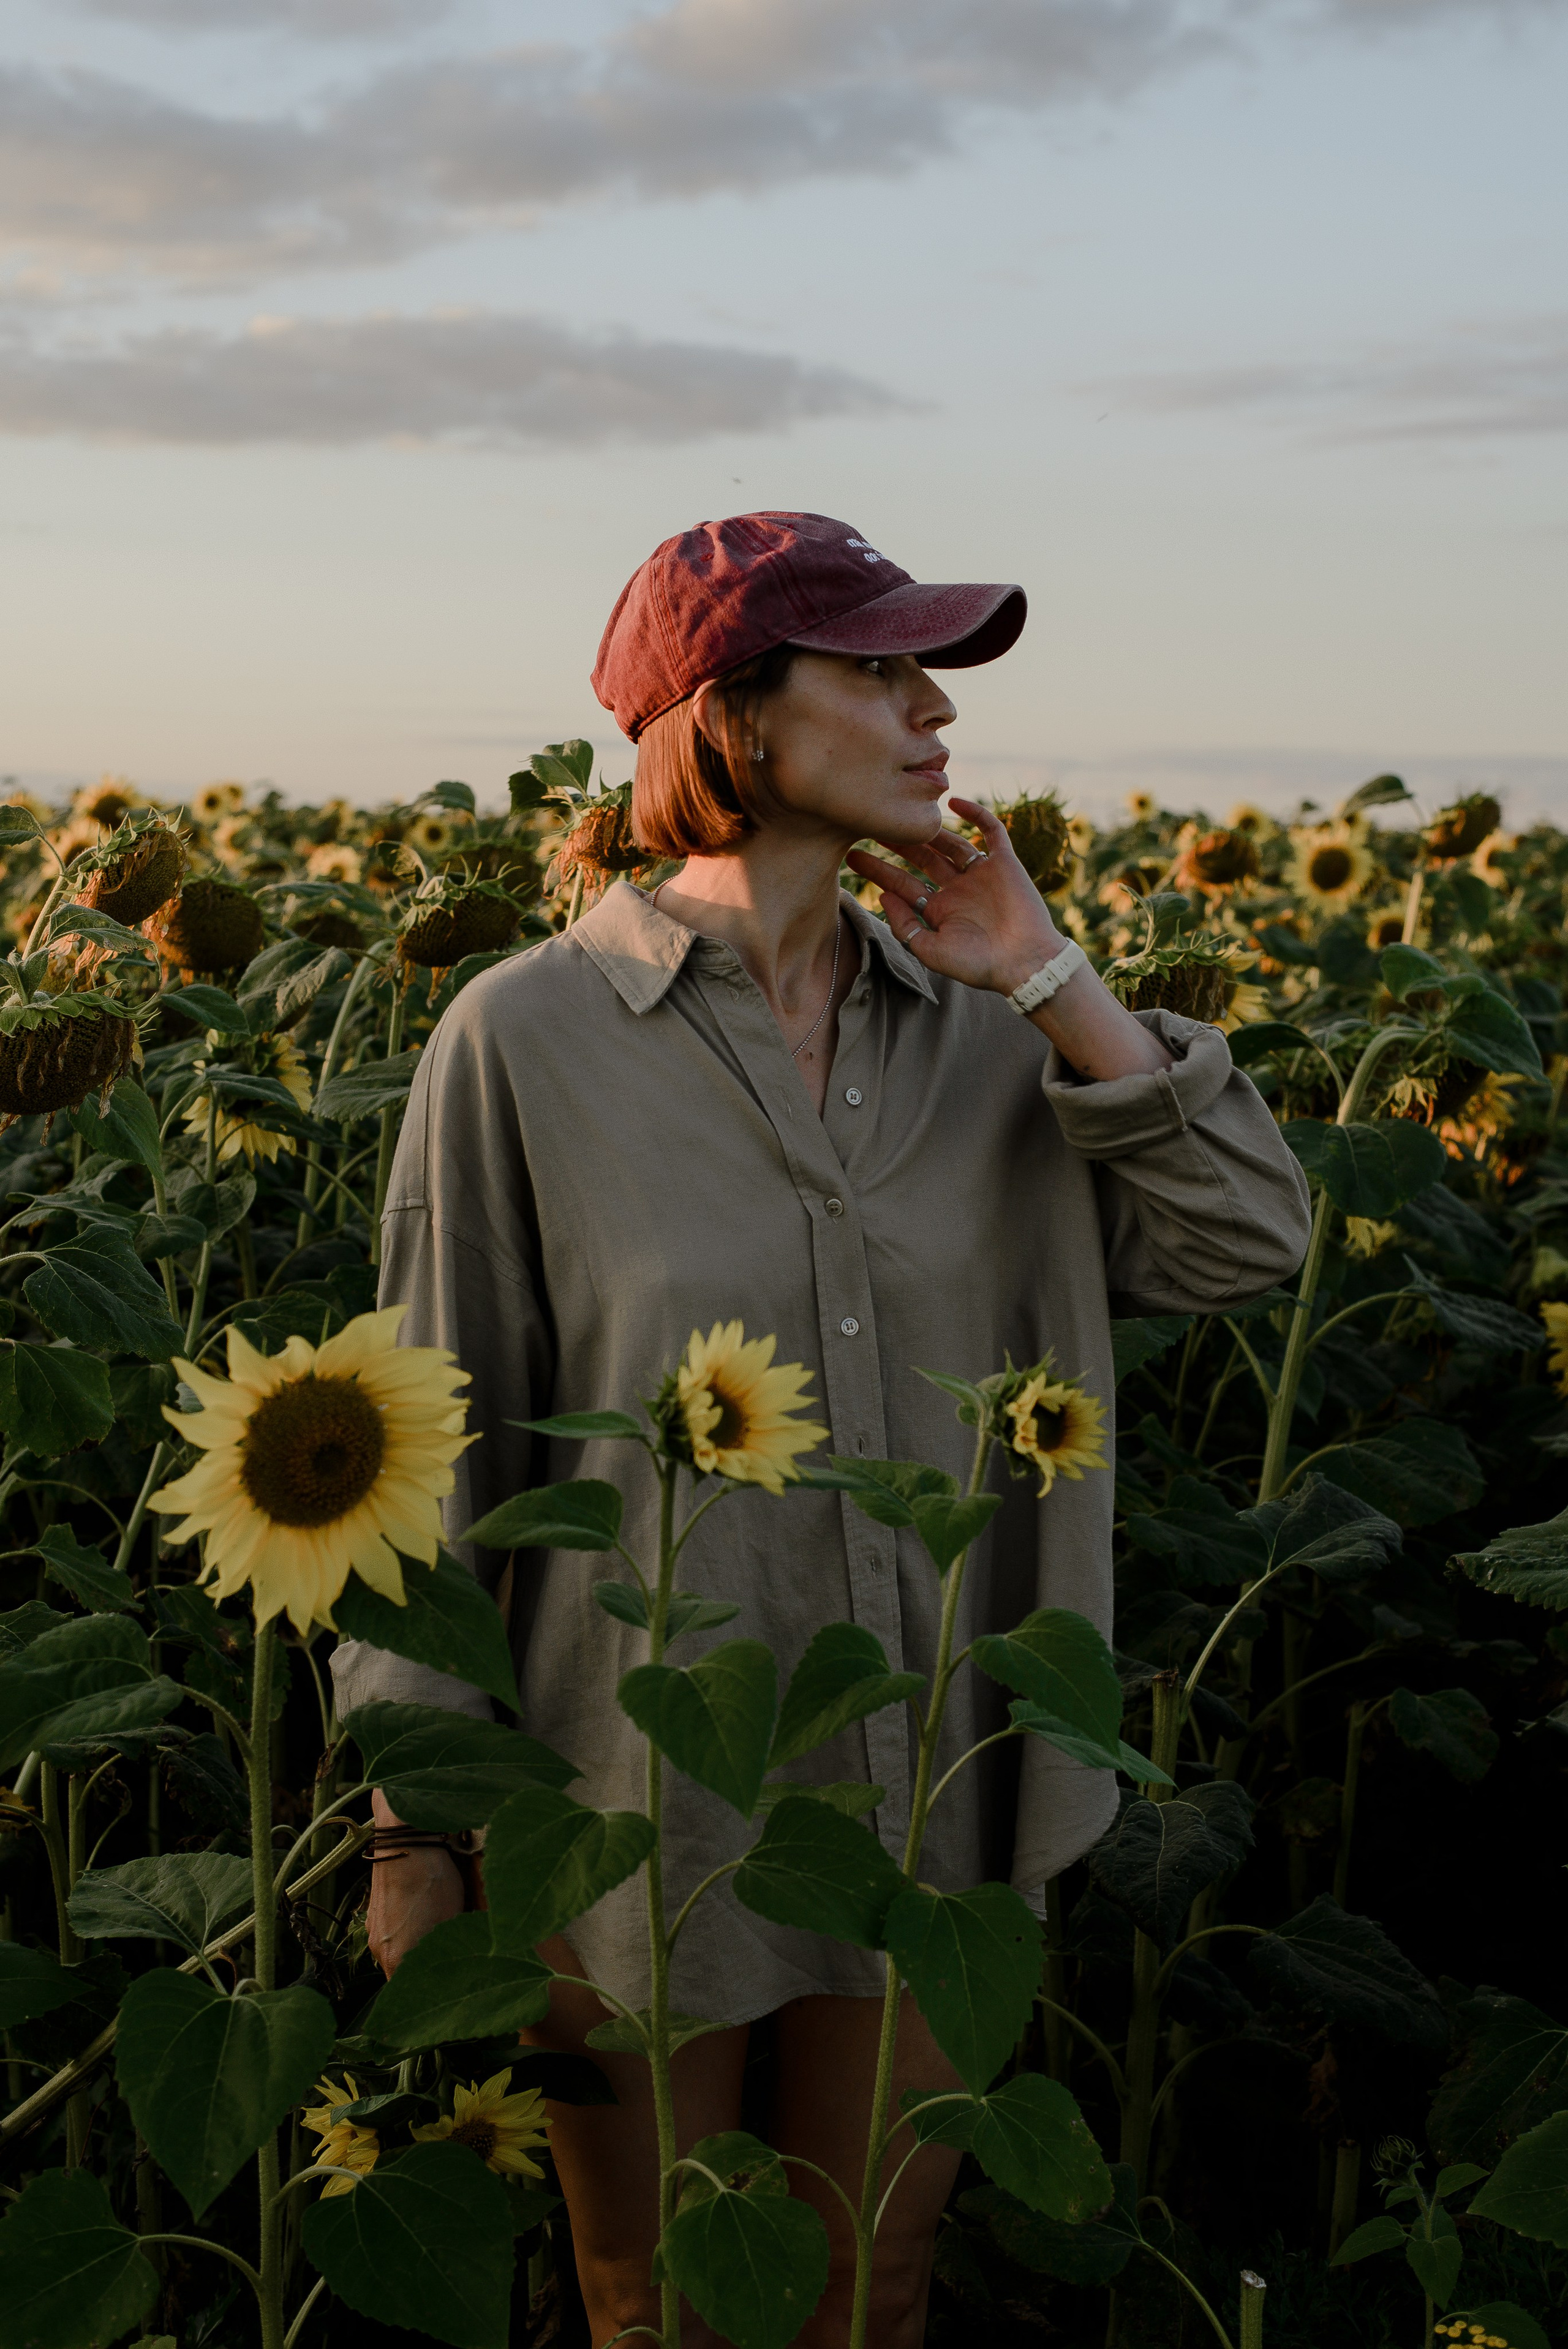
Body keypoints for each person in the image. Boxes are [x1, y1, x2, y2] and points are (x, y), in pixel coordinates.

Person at [331, 511, 1311, 2348]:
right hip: (629, 1803)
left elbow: (1249, 1236)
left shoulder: (982, 1035)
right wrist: (414, 1824)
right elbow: (429, 1444)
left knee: (877, 2275)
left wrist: (1049, 971)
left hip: (925, 1774)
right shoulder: (521, 1041)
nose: (932, 708)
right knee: (654, 2299)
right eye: (877, 668)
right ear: (735, 718)